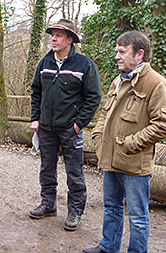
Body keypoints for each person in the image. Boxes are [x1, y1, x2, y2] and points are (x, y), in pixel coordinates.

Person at [83, 31, 166, 253]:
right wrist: (98, 136)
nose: (117, 56)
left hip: (135, 164)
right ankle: (108, 247)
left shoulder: (155, 83)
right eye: (116, 51)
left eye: (122, 52)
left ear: (139, 54)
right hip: (110, 159)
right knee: (111, 208)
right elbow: (105, 113)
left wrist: (130, 144)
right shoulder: (118, 80)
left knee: (138, 215)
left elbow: (164, 124)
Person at [29, 19, 102, 231]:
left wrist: (79, 124)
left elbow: (94, 98)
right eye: (52, 34)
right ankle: (48, 204)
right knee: (46, 168)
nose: (53, 38)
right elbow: (36, 92)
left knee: (75, 172)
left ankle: (75, 211)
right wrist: (36, 118)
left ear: (70, 40)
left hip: (70, 129)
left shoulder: (85, 65)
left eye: (59, 35)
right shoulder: (44, 63)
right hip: (47, 128)